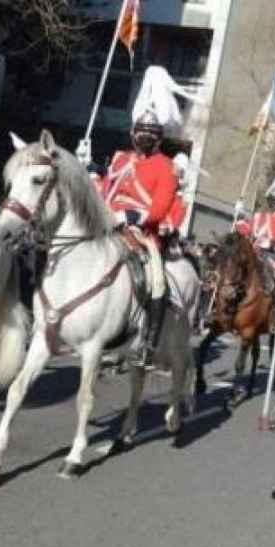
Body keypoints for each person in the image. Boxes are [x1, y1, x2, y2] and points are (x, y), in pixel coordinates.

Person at [101, 66, 198, 369]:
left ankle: (148, 342)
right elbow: (105, 191)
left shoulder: (165, 167)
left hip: (144, 235)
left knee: (157, 281)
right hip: (108, 227)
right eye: (140, 131)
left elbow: (158, 210)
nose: (144, 135)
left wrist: (129, 215)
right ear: (132, 132)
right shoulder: (120, 159)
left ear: (159, 138)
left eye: (151, 133)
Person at [235, 166, 275, 280]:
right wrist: (240, 216)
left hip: (272, 255)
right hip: (253, 253)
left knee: (268, 268)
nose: (272, 203)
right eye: (271, 200)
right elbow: (247, 229)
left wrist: (271, 244)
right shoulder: (260, 216)